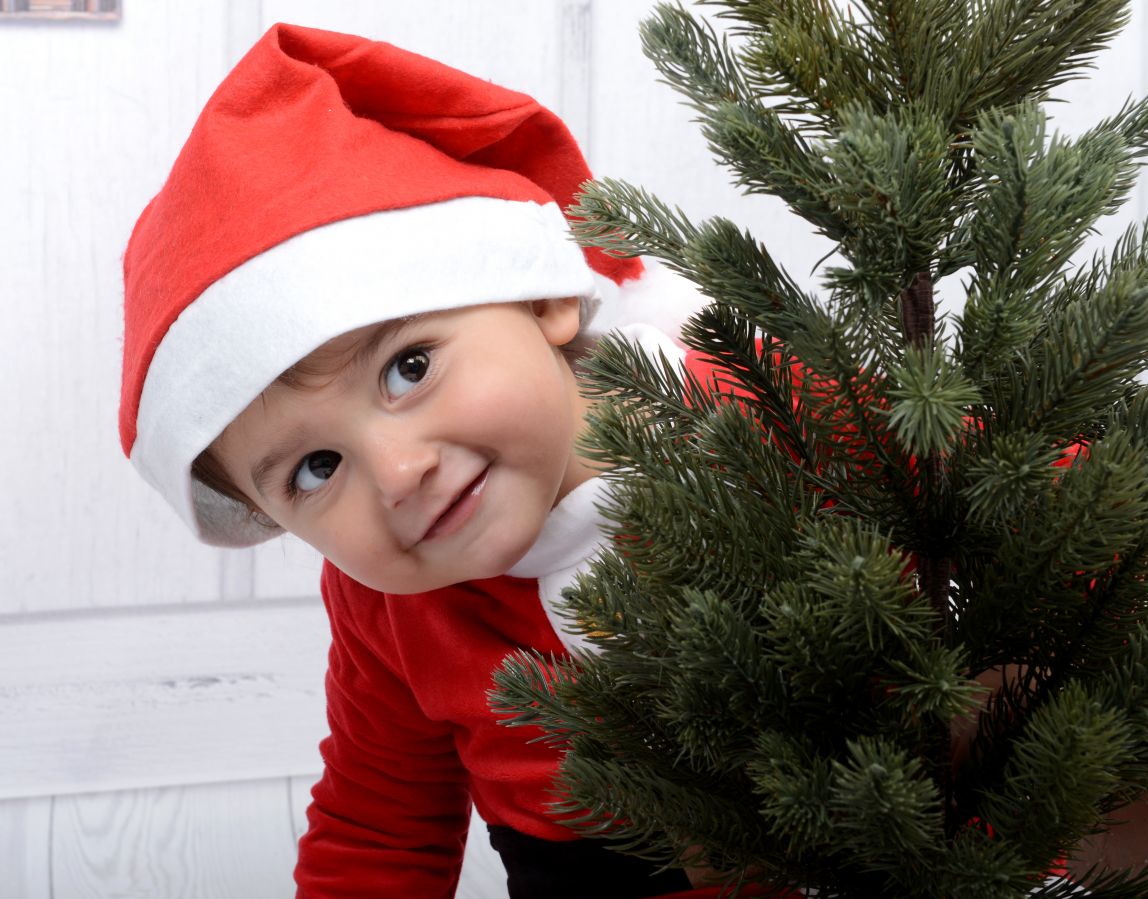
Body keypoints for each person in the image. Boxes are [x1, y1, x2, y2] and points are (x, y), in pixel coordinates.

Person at [118, 21, 720, 899]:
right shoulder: (388, 606)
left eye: (409, 368)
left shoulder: (756, 408)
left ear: (546, 293)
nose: (398, 473)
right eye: (315, 469)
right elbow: (378, 825)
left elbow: (972, 529)